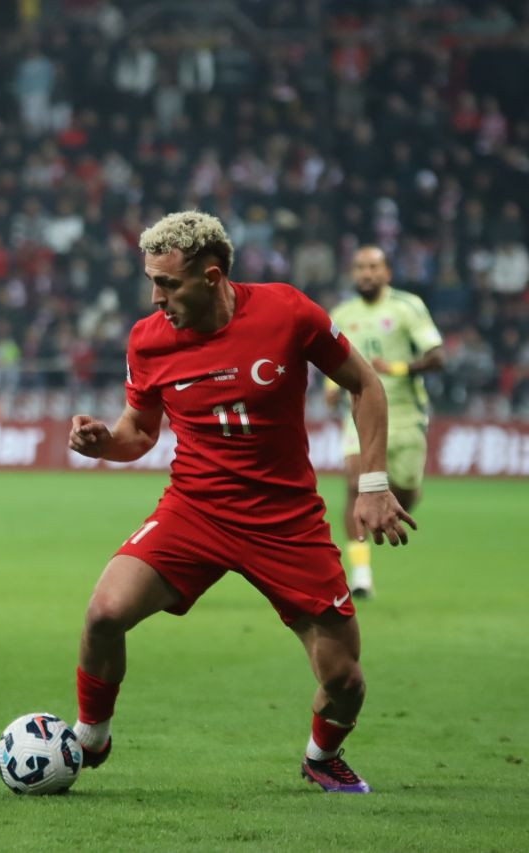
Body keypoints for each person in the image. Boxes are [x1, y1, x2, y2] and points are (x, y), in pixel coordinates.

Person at [67, 211, 415, 794]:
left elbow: (365, 385)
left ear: (211, 275)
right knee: (104, 614)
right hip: (195, 510)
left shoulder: (287, 313)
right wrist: (106, 442)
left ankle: (320, 756)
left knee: (345, 680)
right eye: (151, 282)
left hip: (286, 522)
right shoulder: (147, 340)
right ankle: (89, 735)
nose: (156, 298)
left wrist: (375, 485)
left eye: (168, 284)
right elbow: (140, 432)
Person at [326, 246, 444, 598]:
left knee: (404, 491)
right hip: (359, 409)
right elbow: (334, 360)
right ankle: (361, 574)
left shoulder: (407, 307)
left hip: (405, 414)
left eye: (374, 267)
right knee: (354, 482)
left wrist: (399, 369)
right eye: (360, 267)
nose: (366, 273)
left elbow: (437, 357)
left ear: (387, 273)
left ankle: (404, 494)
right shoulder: (342, 313)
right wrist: (332, 387)